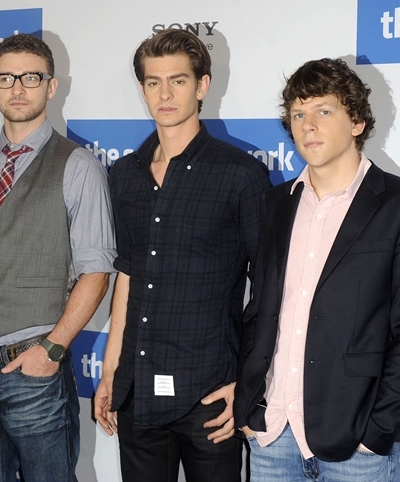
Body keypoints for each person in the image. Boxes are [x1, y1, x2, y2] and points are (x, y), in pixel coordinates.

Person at [234, 58, 400, 481]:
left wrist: (377, 431)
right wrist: (248, 408)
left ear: (357, 121)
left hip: (356, 445)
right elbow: (260, 311)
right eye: (298, 113)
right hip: (272, 433)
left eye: (323, 111)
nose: (307, 125)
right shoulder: (275, 205)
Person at [0, 33, 115, 482]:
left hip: (32, 371)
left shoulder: (78, 166)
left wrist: (52, 349)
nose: (17, 88)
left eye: (30, 77)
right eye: (5, 78)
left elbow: (96, 272)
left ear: (50, 87)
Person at [94, 29, 271, 481]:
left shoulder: (240, 175)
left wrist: (247, 386)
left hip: (211, 397)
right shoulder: (123, 175)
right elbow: (127, 277)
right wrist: (111, 370)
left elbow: (269, 290)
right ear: (142, 90)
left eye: (178, 80)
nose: (165, 93)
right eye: (154, 82)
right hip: (137, 392)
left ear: (202, 86)